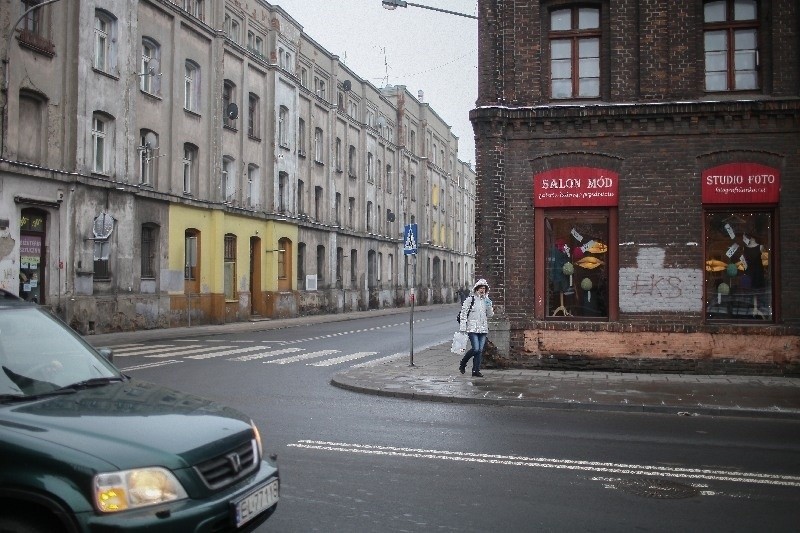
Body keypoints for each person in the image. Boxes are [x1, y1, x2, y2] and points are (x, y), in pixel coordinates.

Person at [458, 278, 494, 377]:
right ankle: (463, 363)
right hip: (472, 328)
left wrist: (489, 305)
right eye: (481, 288)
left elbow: (490, 315)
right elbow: (464, 313)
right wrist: (463, 327)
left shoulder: (486, 301)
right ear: (476, 289)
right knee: (475, 349)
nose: (482, 290)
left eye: (484, 288)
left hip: (483, 329)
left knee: (480, 351)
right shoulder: (471, 299)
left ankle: (476, 371)